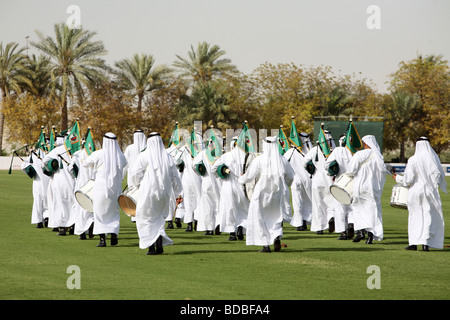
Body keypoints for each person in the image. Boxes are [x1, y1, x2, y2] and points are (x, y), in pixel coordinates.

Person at [238, 136, 295, 252]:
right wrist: (285, 185)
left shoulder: (260, 159)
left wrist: (241, 179)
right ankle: (276, 236)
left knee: (260, 216)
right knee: (276, 216)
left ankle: (265, 244)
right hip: (278, 193)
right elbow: (290, 176)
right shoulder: (283, 160)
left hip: (262, 192)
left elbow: (250, 175)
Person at [130, 132, 183, 255]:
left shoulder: (144, 155)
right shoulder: (168, 157)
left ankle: (151, 246)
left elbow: (135, 174)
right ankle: (158, 244)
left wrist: (138, 185)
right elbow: (175, 178)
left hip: (148, 192)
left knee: (146, 218)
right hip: (164, 193)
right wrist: (178, 194)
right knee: (158, 218)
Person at [394, 137, 447, 251]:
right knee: (428, 216)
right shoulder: (434, 160)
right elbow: (438, 177)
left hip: (416, 191)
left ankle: (414, 243)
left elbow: (408, 180)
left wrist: (397, 178)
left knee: (415, 216)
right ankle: (425, 244)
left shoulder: (413, 159)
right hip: (430, 192)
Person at [83, 132, 127, 247]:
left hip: (101, 187)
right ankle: (113, 235)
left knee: (99, 212)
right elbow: (124, 163)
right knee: (114, 212)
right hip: (116, 188)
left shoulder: (98, 154)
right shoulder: (120, 155)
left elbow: (85, 163)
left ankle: (102, 240)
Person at [346, 135, 390, 244]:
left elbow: (351, 170)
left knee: (358, 209)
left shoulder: (359, 154)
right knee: (372, 211)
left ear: (365, 143)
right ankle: (370, 235)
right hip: (373, 189)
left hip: (360, 186)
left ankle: (361, 230)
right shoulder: (379, 157)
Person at [212, 137, 249, 241]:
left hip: (228, 185)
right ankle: (240, 229)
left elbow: (213, 168)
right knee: (243, 209)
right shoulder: (248, 157)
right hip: (243, 187)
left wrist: (222, 172)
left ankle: (232, 233)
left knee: (229, 209)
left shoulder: (226, 156)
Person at [43, 135, 76, 236]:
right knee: (73, 205)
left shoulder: (56, 150)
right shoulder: (76, 151)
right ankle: (73, 226)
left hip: (59, 181)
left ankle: (63, 228)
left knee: (61, 205)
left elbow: (44, 162)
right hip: (74, 181)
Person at [325, 135, 354, 240]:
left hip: (340, 181)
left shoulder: (337, 151)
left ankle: (343, 232)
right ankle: (351, 224)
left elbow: (327, 164)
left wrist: (332, 169)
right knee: (351, 207)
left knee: (340, 207)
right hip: (352, 183)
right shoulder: (354, 151)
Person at [69, 143, 95, 240]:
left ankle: (82, 232)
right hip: (93, 182)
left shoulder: (77, 154)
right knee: (92, 206)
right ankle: (91, 224)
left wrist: (75, 177)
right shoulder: (95, 153)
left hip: (81, 182)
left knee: (79, 207)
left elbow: (71, 169)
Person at [284, 145, 312, 231]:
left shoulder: (290, 152)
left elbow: (284, 164)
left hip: (295, 179)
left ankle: (299, 223)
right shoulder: (310, 150)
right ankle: (305, 221)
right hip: (308, 180)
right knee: (308, 202)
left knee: (297, 202)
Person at [21, 148, 49, 228]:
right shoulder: (36, 154)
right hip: (41, 180)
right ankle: (45, 218)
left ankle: (41, 220)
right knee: (44, 200)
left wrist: (28, 168)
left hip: (40, 181)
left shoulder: (35, 154)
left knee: (39, 201)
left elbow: (23, 165)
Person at [123, 129, 147, 223]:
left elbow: (124, 164)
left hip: (132, 176)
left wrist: (122, 176)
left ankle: (135, 216)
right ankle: (139, 215)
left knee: (135, 196)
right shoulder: (147, 148)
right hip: (144, 176)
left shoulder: (130, 148)